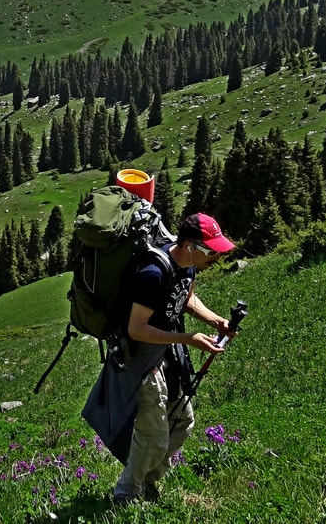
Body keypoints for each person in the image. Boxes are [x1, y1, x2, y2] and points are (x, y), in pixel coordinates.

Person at [81, 212, 237, 505]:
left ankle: (145, 482)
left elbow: (186, 299)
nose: (215, 258)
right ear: (191, 245)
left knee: (182, 422)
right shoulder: (153, 273)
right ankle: (126, 494)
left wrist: (216, 321)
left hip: (168, 356)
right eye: (211, 251)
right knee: (153, 435)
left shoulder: (188, 265)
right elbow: (136, 329)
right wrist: (187, 339)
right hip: (142, 361)